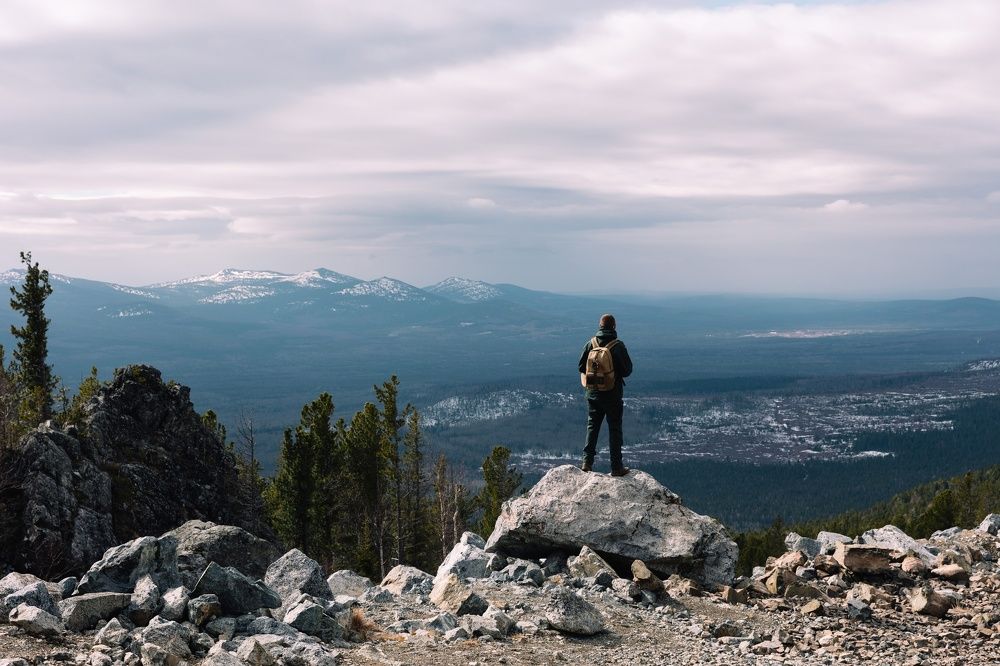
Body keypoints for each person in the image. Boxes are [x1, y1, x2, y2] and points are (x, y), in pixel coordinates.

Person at [578, 313, 633, 476]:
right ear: (614, 327)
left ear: (600, 326)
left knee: (592, 427)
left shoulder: (590, 344)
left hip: (593, 394)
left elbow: (581, 367)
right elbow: (627, 370)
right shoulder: (617, 346)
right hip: (612, 395)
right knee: (614, 429)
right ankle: (616, 467)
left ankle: (586, 462)